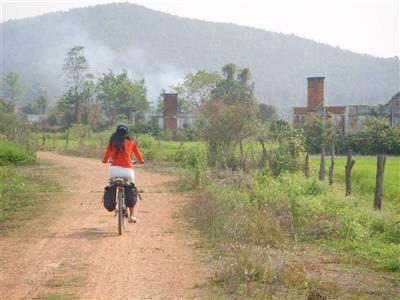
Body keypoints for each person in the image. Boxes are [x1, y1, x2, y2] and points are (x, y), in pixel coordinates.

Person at [102, 124, 144, 223]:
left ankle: (114, 202)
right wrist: (140, 161)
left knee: (112, 185)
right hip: (128, 171)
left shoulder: (112, 143)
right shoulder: (131, 142)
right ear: (127, 133)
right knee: (131, 187)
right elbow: (140, 158)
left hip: (114, 171)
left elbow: (105, 158)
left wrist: (106, 161)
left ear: (116, 132)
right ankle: (132, 216)